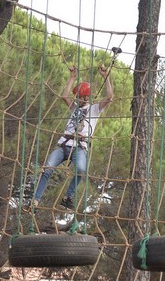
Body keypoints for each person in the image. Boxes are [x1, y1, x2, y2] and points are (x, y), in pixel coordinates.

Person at [30, 65, 114, 210]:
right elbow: (64, 96)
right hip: (64, 144)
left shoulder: (94, 109)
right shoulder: (75, 108)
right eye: (77, 97)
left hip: (80, 146)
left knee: (81, 170)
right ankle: (35, 201)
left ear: (86, 97)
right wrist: (72, 77)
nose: (78, 99)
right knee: (47, 169)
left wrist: (105, 76)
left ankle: (67, 197)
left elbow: (110, 97)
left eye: (80, 97)